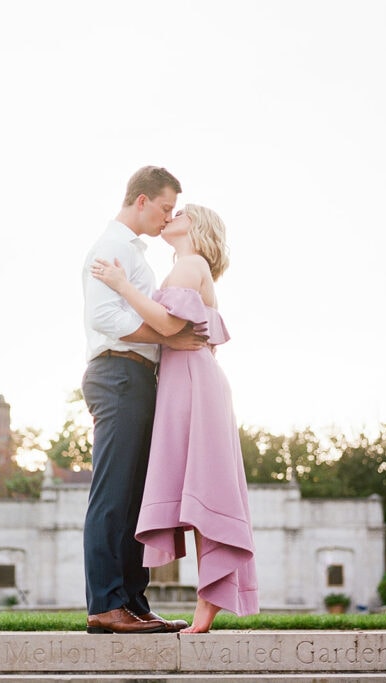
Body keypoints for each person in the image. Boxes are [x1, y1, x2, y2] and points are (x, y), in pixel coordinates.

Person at [90, 203, 259, 633]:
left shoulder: (191, 263)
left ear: (196, 226)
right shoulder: (186, 267)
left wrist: (122, 285)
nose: (172, 216)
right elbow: (171, 329)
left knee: (204, 488)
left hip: (193, 383)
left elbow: (167, 325)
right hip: (184, 382)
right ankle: (202, 607)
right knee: (197, 489)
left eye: (180, 211)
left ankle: (206, 607)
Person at [81, 166, 206, 634]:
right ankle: (105, 605)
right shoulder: (111, 248)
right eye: (165, 208)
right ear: (141, 201)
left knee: (136, 498)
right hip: (117, 374)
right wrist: (170, 340)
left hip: (136, 377)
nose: (167, 217)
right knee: (113, 495)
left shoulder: (132, 254)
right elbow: (105, 316)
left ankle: (132, 602)